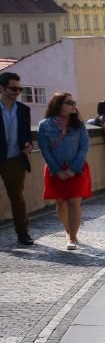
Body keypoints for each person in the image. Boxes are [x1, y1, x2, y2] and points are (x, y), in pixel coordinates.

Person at [38, 93, 91, 250]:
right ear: (58, 105)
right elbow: (45, 150)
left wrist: (74, 169)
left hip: (77, 168)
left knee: (74, 202)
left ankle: (73, 238)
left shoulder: (78, 125)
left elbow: (84, 147)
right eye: (69, 102)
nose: (73, 105)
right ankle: (68, 231)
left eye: (73, 102)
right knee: (61, 202)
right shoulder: (44, 125)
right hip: (56, 170)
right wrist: (56, 170)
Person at [0, 72, 34, 245]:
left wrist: (28, 144)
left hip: (15, 159)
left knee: (17, 198)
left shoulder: (23, 109)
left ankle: (23, 233)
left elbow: (26, 134)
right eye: (14, 88)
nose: (17, 92)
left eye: (19, 89)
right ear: (2, 88)